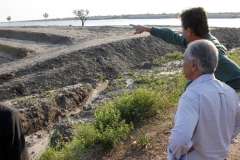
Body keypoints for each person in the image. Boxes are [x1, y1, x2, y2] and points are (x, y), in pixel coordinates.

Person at [130, 7, 240, 93]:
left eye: (182, 28)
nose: (181, 31)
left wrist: (214, 91)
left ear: (189, 31)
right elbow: (172, 36)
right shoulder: (196, 42)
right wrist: (147, 29)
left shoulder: (209, 52)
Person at [167, 40, 240, 160]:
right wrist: (222, 139)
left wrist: (176, 153)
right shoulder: (230, 92)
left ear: (194, 64)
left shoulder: (191, 96)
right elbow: (237, 122)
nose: (182, 64)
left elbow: (180, 140)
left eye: (184, 60)